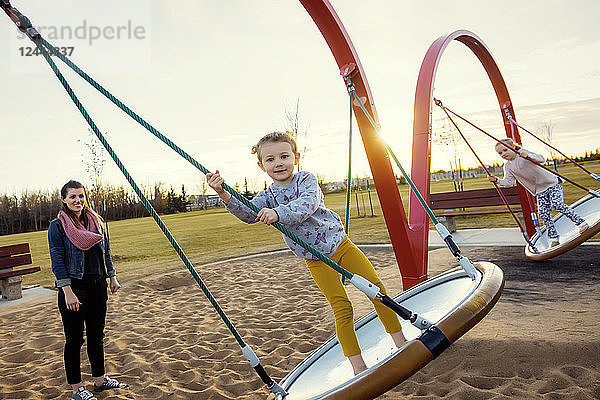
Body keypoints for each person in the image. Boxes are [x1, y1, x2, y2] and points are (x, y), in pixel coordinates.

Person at [206, 131, 407, 375]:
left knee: (376, 290)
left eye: (283, 156)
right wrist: (223, 193)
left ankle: (401, 343)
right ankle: (358, 366)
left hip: (340, 245)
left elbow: (307, 204)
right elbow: (248, 214)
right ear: (261, 166)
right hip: (315, 259)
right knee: (341, 306)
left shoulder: (306, 180)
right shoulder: (266, 197)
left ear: (296, 157)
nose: (278, 163)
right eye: (270, 160)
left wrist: (278, 214)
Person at [48, 180, 127, 400]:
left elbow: (106, 252)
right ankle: (77, 388)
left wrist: (112, 276)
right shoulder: (58, 226)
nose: (77, 200)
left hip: (98, 286)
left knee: (96, 336)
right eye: (72, 196)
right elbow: (57, 261)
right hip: (75, 289)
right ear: (63, 199)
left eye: (81, 196)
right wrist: (67, 291)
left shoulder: (96, 221)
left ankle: (100, 381)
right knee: (74, 340)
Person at [488, 138, 588, 247]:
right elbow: (509, 182)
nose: (503, 154)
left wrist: (529, 156)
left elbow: (541, 159)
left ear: (513, 147)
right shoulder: (508, 166)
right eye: (500, 153)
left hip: (552, 183)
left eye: (505, 150)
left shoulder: (522, 154)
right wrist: (497, 180)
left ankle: (581, 223)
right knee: (543, 213)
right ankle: (554, 238)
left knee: (557, 204)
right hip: (540, 189)